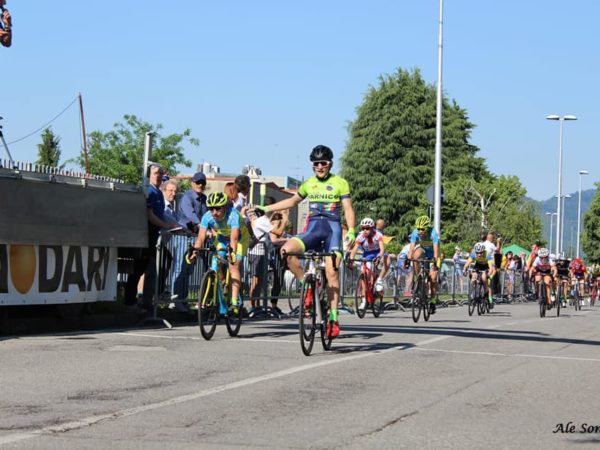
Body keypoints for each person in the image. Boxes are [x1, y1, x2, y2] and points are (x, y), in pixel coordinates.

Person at [255, 145, 356, 339]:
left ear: (330, 164)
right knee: (286, 251)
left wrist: (351, 230)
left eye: (323, 163)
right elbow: (292, 202)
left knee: (332, 273)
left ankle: (333, 318)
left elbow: (348, 208)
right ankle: (307, 285)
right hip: (313, 230)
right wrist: (266, 208)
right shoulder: (309, 183)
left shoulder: (340, 183)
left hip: (332, 231)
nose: (319, 167)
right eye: (316, 164)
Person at [125, 164, 179, 312]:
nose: (159, 176)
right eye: (156, 173)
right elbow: (150, 215)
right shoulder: (148, 191)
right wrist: (165, 225)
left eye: (161, 173)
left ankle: (150, 298)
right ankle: (131, 302)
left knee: (158, 264)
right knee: (138, 269)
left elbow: (160, 214)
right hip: (145, 236)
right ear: (149, 175)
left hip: (154, 237)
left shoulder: (158, 193)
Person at [187, 192, 249, 312]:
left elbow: (234, 238)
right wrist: (195, 253)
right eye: (211, 209)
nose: (214, 212)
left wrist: (232, 253)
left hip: (240, 239)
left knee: (233, 264)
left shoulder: (233, 215)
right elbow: (201, 237)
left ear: (224, 207)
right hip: (222, 239)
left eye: (218, 209)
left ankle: (234, 299)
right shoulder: (207, 217)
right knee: (216, 261)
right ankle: (222, 281)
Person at [173, 172, 208, 303]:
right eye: (198, 182)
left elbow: (207, 216)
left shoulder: (204, 198)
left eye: (203, 183)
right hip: (184, 237)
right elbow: (191, 215)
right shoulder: (187, 197)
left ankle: (183, 300)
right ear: (192, 183)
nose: (200, 185)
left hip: (196, 237)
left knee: (188, 270)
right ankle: (176, 300)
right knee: (180, 268)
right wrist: (202, 227)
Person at [348, 218, 385, 310]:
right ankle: (364, 300)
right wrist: (351, 259)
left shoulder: (378, 234)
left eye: (367, 228)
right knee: (364, 275)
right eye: (363, 228)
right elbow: (354, 249)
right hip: (367, 254)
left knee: (378, 267)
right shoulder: (361, 236)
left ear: (372, 228)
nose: (365, 230)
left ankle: (378, 283)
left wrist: (379, 257)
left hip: (377, 253)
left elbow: (382, 249)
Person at [407, 215, 441, 314]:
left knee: (433, 279)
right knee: (415, 255)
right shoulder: (415, 233)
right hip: (424, 250)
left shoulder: (433, 233)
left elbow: (436, 250)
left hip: (434, 254)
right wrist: (408, 259)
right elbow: (411, 248)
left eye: (422, 229)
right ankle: (419, 278)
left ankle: (433, 302)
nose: (420, 231)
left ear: (427, 228)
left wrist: (435, 262)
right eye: (418, 229)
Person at [462, 242, 496, 308]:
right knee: (473, 277)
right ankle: (472, 295)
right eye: (477, 253)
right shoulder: (473, 254)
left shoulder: (487, 255)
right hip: (478, 265)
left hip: (486, 266)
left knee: (484, 277)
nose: (479, 254)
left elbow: (491, 268)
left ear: (483, 251)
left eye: (481, 253)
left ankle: (486, 292)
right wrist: (464, 269)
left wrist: (488, 274)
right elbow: (467, 263)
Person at [375, 219, 393, 290]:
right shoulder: (376, 232)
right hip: (376, 251)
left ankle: (379, 279)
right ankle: (379, 279)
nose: (384, 225)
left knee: (387, 260)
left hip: (380, 251)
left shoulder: (380, 232)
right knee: (387, 260)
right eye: (383, 224)